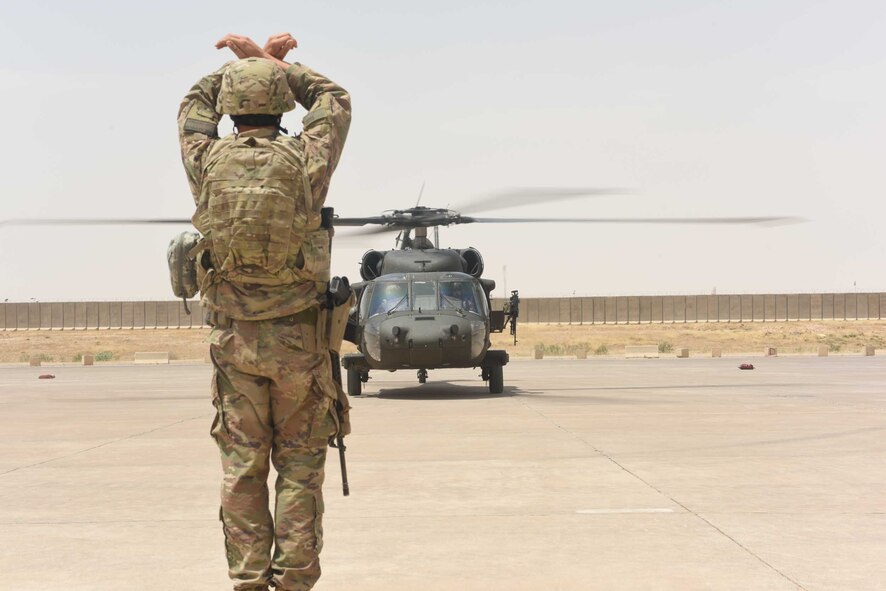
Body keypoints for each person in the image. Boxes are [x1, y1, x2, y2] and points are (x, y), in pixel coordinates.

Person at [178, 32, 351, 591]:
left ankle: (248, 581)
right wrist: (275, 64)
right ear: (281, 106)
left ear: (229, 109)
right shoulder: (305, 159)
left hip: (235, 346)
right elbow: (333, 99)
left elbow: (192, 104)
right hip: (300, 346)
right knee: (300, 470)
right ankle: (296, 581)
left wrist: (243, 66)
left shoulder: (205, 160)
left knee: (242, 472)